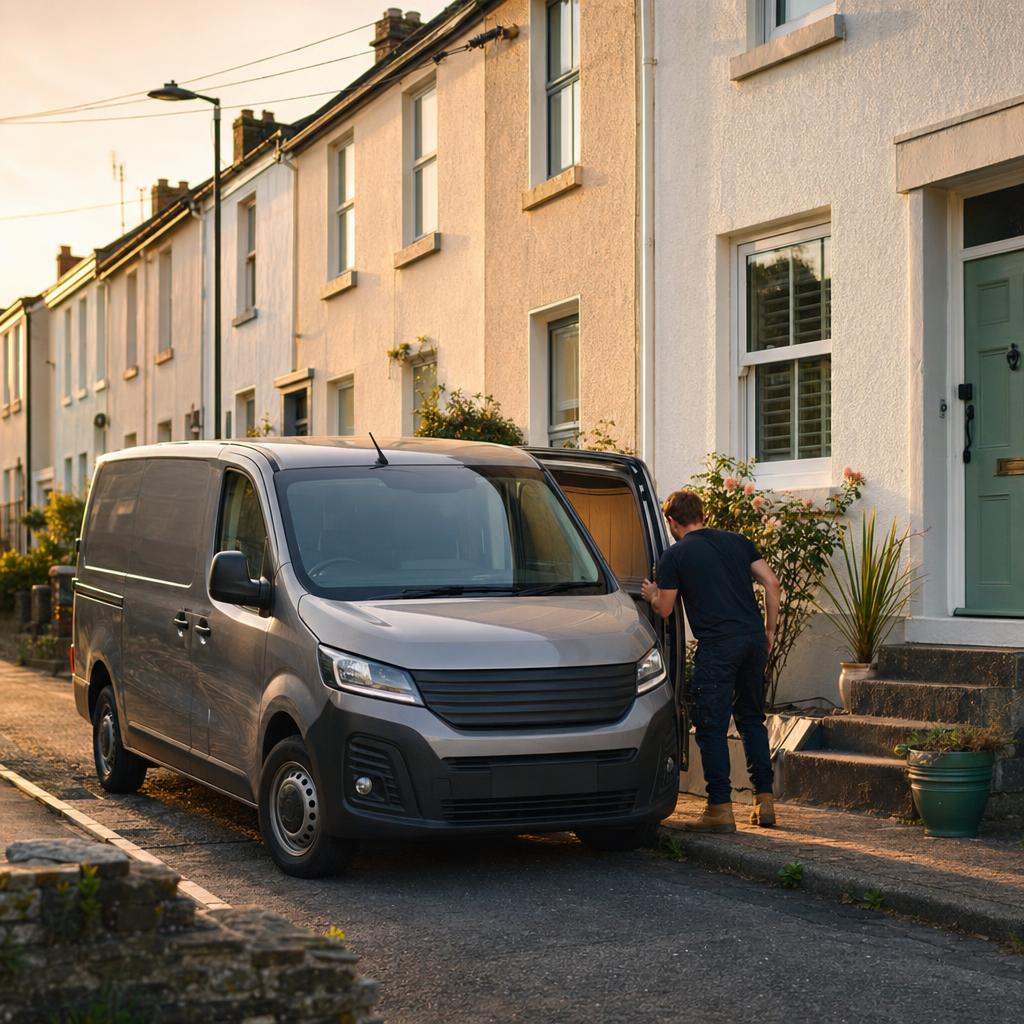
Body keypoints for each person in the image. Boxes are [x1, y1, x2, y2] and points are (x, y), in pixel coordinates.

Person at [641, 489, 782, 833]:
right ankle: (764, 802)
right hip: (752, 641)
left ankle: (720, 808)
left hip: (718, 647)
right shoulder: (737, 541)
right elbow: (773, 583)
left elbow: (664, 608)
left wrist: (651, 593)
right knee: (751, 719)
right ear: (702, 514)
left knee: (711, 726)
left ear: (672, 522)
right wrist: (769, 630)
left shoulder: (675, 555)